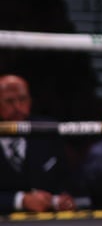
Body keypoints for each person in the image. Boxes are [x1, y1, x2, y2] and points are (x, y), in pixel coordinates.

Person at [0, 74, 77, 213]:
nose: (17, 107)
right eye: (9, 101)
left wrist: (61, 199)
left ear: (30, 101)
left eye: (22, 99)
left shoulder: (47, 131)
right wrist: (20, 200)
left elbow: (68, 178)